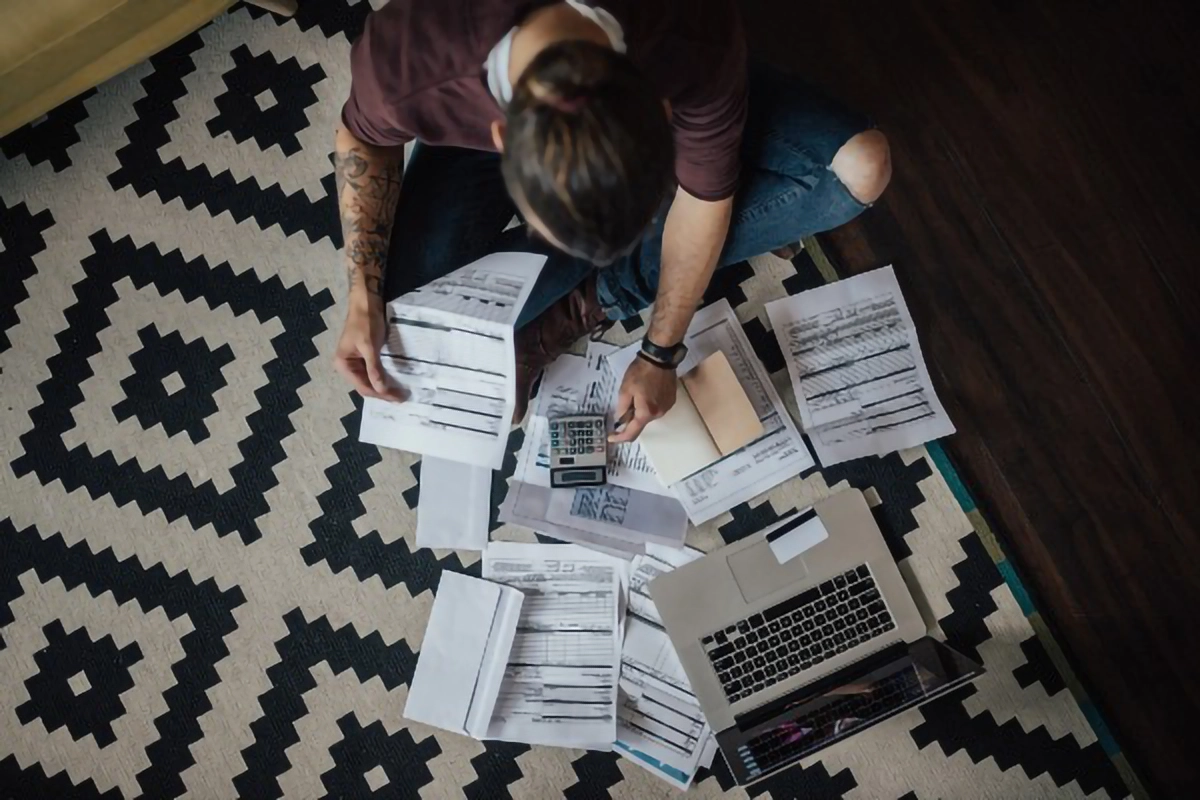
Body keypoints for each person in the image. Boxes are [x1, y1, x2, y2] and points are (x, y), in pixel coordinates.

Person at [332, 0, 890, 442]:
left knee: (860, 169)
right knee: (407, 319)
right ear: (500, 137)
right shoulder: (413, 60)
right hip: (480, 87)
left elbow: (704, 200)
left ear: (662, 111)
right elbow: (361, 139)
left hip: (682, 60)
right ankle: (602, 273)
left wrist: (660, 350)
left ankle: (593, 297)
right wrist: (362, 293)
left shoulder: (690, 33)